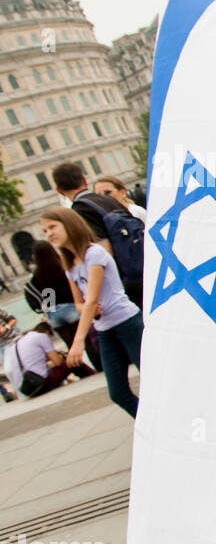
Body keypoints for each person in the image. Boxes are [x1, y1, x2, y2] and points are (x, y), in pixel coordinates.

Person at [39, 208, 143, 418]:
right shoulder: (70, 263)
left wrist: (78, 341)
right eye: (44, 231)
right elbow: (79, 303)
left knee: (152, 381)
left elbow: (92, 298)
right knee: (118, 393)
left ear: (69, 224)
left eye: (52, 227)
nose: (49, 234)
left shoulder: (94, 253)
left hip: (127, 322)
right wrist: (86, 308)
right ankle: (150, 426)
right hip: (104, 330)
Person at [51, 162, 143, 308]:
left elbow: (103, 249)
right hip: (141, 264)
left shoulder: (80, 209)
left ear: (59, 191)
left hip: (125, 282)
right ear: (84, 180)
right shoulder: (106, 199)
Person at [24, 239, 100, 370]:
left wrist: (47, 307)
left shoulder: (36, 277)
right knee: (86, 341)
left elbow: (36, 300)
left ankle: (80, 371)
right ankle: (99, 366)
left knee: (69, 344)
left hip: (54, 312)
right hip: (72, 307)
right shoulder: (63, 268)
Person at [11, 321, 91, 396]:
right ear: (48, 332)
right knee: (70, 361)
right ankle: (92, 375)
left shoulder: (19, 343)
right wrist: (61, 356)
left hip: (27, 388)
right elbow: (58, 362)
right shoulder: (42, 336)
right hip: (41, 384)